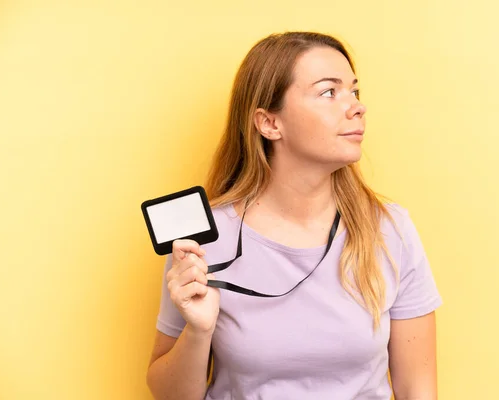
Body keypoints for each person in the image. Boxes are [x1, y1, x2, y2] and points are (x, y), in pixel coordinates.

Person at [146, 31, 442, 400]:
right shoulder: (206, 239)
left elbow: (419, 389)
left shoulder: (389, 229)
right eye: (329, 92)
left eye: (355, 91)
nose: (356, 106)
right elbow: (168, 394)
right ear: (269, 123)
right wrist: (198, 331)